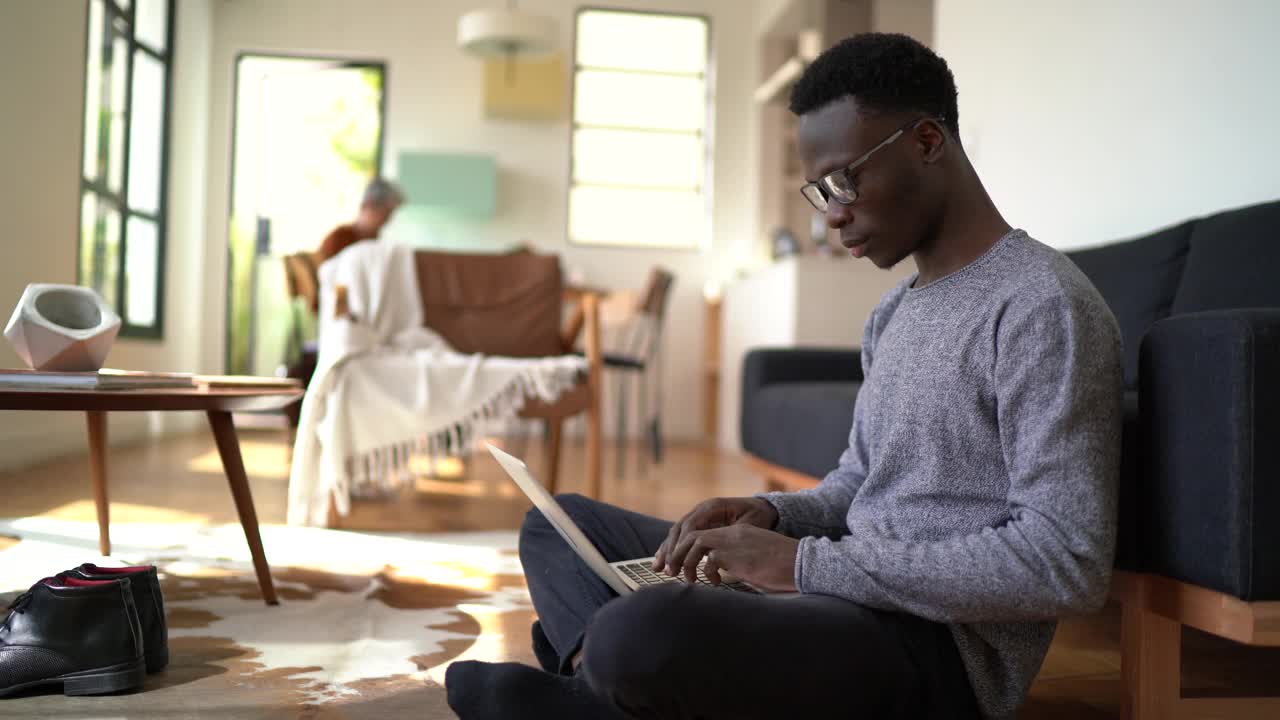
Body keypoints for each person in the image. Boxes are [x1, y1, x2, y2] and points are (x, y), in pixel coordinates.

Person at [446, 32, 1123, 720]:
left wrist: (798, 566)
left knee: (639, 629)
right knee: (558, 526)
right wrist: (773, 515)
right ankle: (606, 693)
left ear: (926, 142)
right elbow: (860, 482)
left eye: (845, 179)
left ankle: (594, 687)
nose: (831, 214)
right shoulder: (893, 313)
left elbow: (1064, 560)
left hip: (928, 650)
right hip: (835, 593)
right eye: (819, 191)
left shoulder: (1044, 307)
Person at [315, 177, 404, 264]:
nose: (387, 220)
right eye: (385, 213)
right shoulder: (340, 238)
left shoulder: (375, 242)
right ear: (367, 205)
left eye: (390, 214)